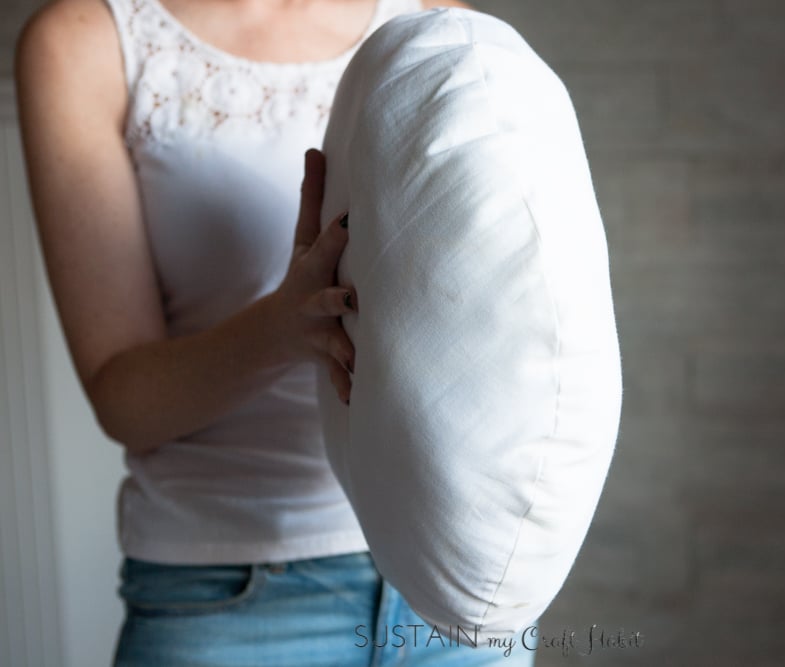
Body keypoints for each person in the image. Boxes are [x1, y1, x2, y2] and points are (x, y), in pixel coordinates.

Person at [15, 0, 534, 664]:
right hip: (229, 598)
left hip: (454, 583)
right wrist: (282, 328)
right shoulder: (85, 41)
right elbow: (124, 401)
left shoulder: (437, 20)